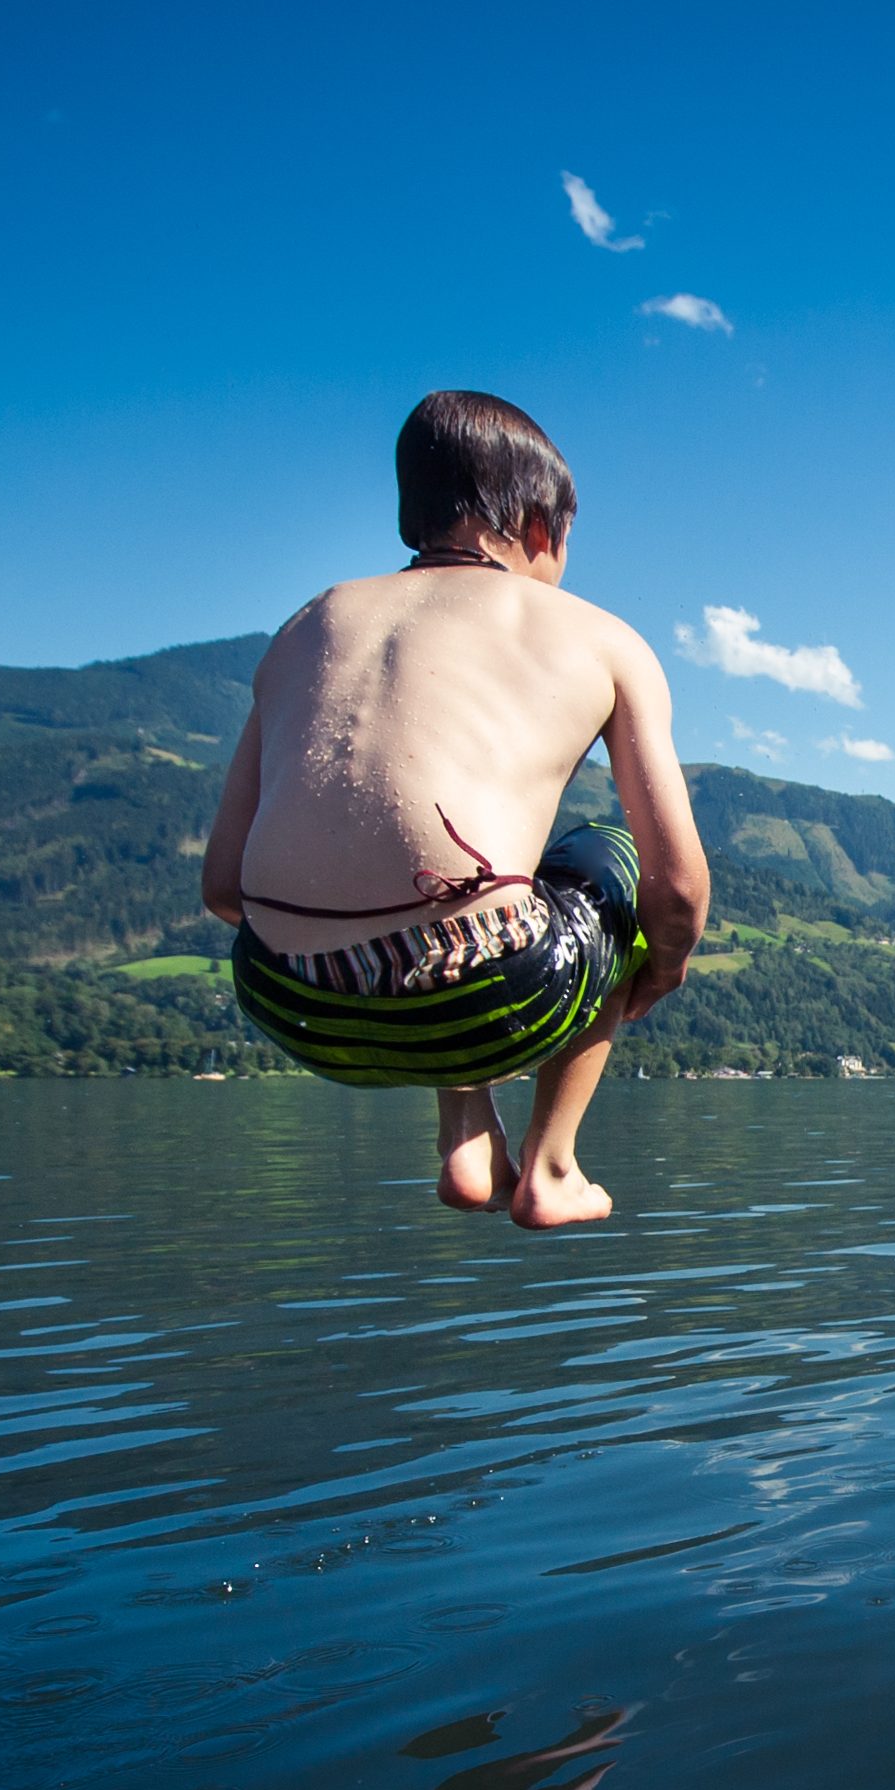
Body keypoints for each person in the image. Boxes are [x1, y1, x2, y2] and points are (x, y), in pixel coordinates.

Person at [201, 391, 710, 1229]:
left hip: (287, 1001)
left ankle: (468, 1139)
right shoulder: (599, 636)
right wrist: (654, 969)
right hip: (495, 997)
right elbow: (679, 888)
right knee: (611, 851)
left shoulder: (307, 626)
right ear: (542, 530)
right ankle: (550, 1168)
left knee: (454, 886)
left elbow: (223, 885)